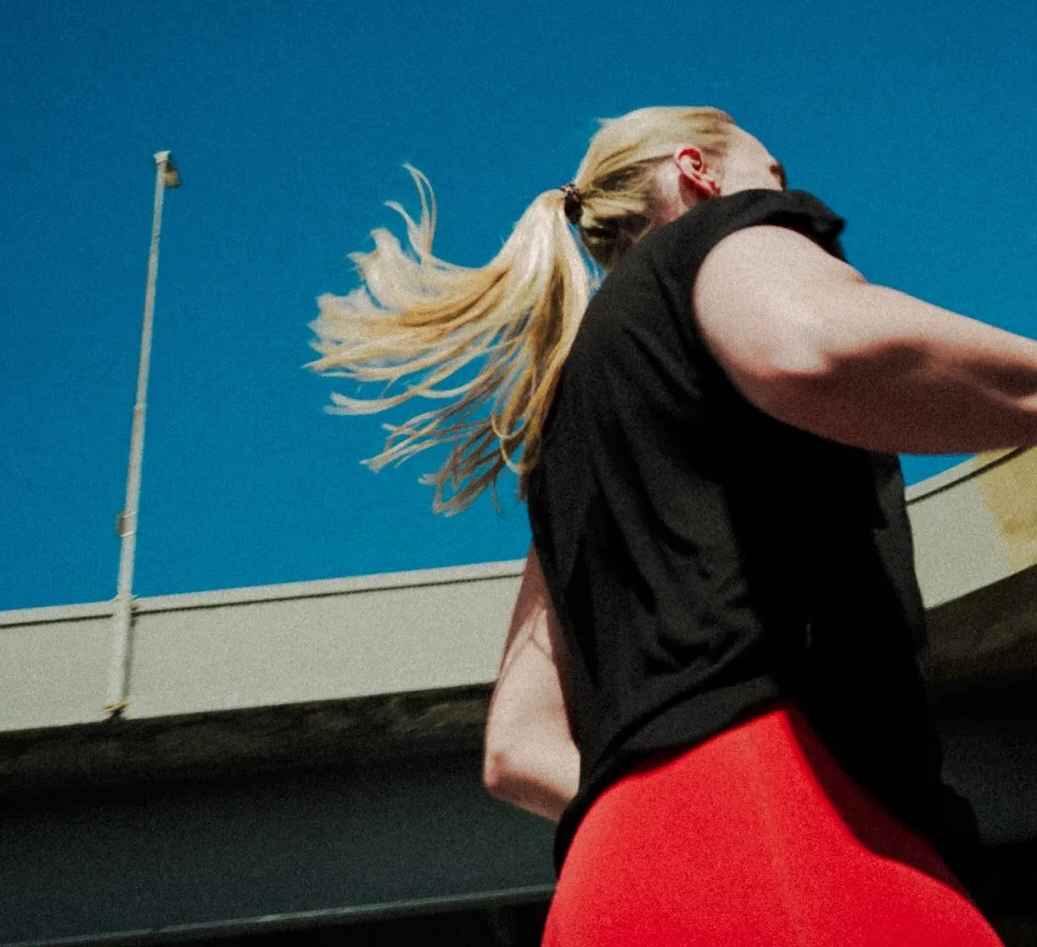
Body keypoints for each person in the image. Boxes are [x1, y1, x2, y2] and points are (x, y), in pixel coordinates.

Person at [307, 107, 1030, 944]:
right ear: (698, 172)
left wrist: (671, 830)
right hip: (809, 850)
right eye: (775, 177)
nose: (785, 204)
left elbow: (518, 745)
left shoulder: (570, 434)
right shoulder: (717, 238)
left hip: (612, 885)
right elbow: (808, 349)